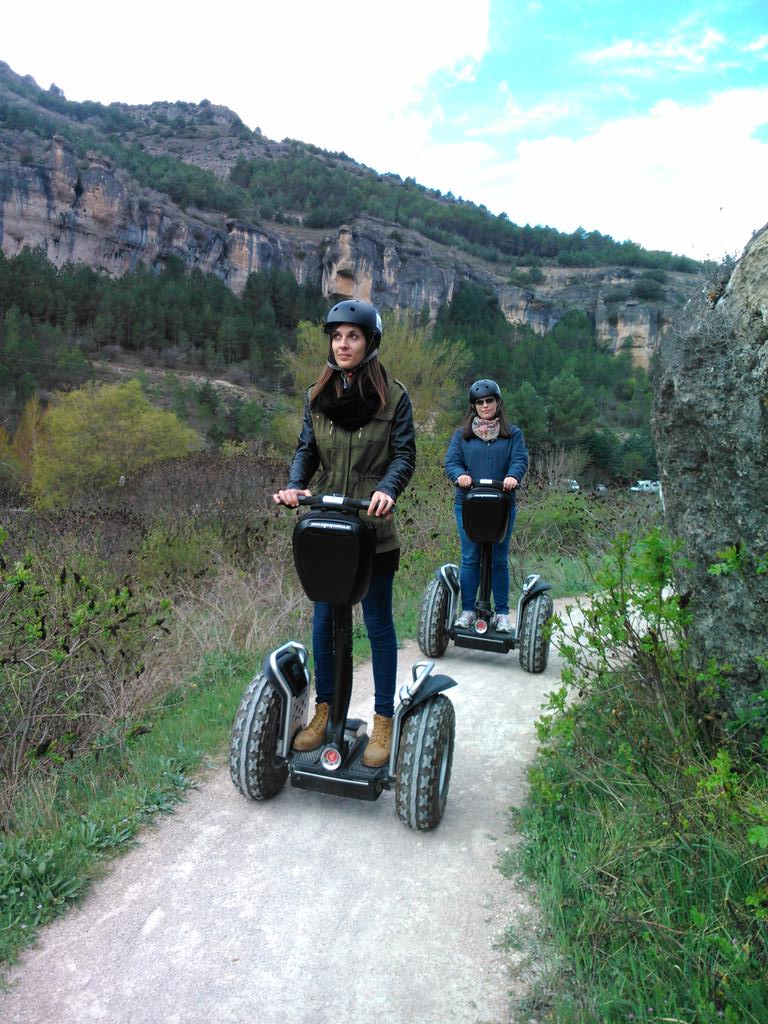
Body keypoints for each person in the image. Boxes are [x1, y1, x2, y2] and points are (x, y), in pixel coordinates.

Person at [273, 299, 416, 767]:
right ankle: (324, 712)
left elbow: (403, 455)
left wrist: (388, 490)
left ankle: (382, 721)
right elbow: (306, 449)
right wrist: (296, 485)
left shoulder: (394, 397)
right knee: (323, 624)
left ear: (369, 341)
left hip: (373, 530)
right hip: (329, 531)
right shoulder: (317, 395)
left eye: (352, 335)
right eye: (336, 336)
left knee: (377, 626)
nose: (343, 343)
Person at [444, 378, 528, 631]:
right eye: (480, 402)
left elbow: (520, 459)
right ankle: (468, 610)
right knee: (470, 557)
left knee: (499, 559)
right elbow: (452, 462)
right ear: (474, 407)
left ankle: (501, 613)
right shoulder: (463, 435)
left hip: (502, 504)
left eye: (489, 400)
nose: (485, 405)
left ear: (498, 402)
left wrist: (513, 476)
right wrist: (460, 475)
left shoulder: (512, 434)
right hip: (468, 504)